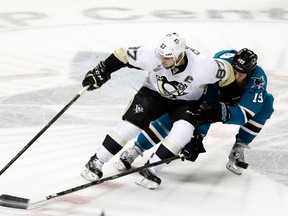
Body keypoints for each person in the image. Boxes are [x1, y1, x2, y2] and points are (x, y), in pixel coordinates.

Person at [80, 33, 234, 182]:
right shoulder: (153, 54)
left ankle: (152, 168)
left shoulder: (202, 66)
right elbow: (123, 55)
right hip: (153, 93)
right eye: (161, 55)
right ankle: (96, 161)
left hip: (186, 101)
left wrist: (226, 98)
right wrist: (101, 70)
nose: (161, 60)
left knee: (184, 132)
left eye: (167, 57)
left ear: (179, 56)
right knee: (130, 127)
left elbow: (228, 72)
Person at [114, 48, 274, 188]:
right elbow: (204, 104)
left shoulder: (258, 80)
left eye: (241, 74)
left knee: (266, 104)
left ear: (250, 72)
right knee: (182, 113)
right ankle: (137, 148)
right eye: (234, 70)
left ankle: (239, 146)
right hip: (208, 95)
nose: (236, 75)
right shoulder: (221, 63)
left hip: (233, 102)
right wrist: (197, 135)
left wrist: (217, 114)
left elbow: (244, 113)